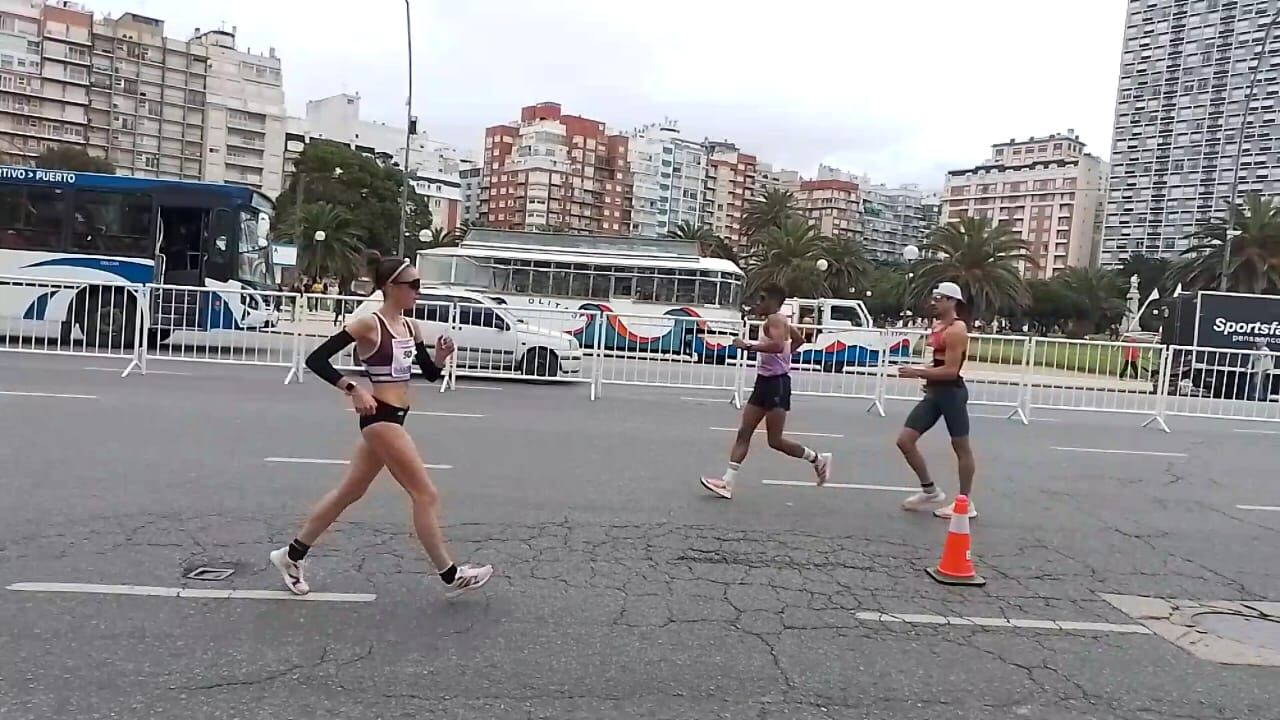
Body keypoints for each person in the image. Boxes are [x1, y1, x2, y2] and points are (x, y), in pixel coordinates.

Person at [269, 252, 493, 598]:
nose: (418, 292)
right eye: (413, 285)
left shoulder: (410, 326)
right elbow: (316, 359)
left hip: (395, 416)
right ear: (391, 287)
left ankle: (291, 555)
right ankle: (451, 575)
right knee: (425, 493)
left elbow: (429, 375)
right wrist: (353, 387)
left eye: (420, 285)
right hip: (380, 419)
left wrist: (440, 359)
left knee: (349, 492)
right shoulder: (369, 324)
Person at [700, 283, 832, 499]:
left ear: (772, 301)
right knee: (745, 432)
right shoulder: (777, 321)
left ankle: (818, 459)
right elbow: (797, 340)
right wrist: (784, 357)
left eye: (761, 299)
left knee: (775, 440)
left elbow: (779, 346)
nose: (757, 303)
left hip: (776, 384)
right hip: (764, 382)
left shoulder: (775, 320)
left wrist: (748, 347)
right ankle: (727, 482)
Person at [895, 281, 977, 520]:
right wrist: (928, 376)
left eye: (939, 298)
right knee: (905, 441)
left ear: (953, 301)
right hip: (935, 393)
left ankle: (965, 503)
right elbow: (939, 364)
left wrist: (917, 372)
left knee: (961, 447)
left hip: (951, 393)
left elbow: (951, 371)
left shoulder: (956, 331)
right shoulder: (940, 326)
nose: (934, 302)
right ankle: (929, 491)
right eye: (934, 297)